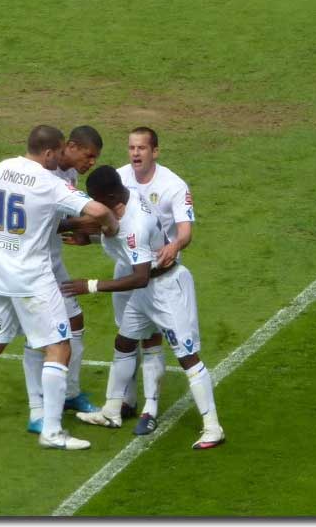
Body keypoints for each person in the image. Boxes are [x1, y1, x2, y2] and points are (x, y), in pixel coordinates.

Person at [0, 125, 119, 450]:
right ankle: (51, 431)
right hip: (33, 278)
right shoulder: (49, 183)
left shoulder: (1, 168)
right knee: (59, 347)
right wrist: (112, 226)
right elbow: (99, 210)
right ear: (49, 153)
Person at [60, 165, 224, 450]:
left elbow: (139, 276)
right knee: (124, 342)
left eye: (97, 200)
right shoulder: (128, 196)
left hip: (167, 289)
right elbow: (110, 229)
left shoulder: (136, 224)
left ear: (112, 197)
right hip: (146, 290)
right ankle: (112, 410)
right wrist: (85, 234)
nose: (94, 206)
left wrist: (91, 285)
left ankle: (213, 427)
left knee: (187, 356)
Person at [22, 125, 104, 435]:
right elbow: (46, 225)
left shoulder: (68, 176)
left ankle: (69, 393)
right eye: (88, 155)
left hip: (52, 263)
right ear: (69, 147)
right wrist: (94, 221)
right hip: (34, 266)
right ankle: (38, 409)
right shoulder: (46, 175)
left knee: (75, 321)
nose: (90, 162)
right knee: (37, 336)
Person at [115, 127, 196, 435]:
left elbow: (185, 230)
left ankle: (150, 408)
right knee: (125, 337)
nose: (135, 153)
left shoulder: (173, 185)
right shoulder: (119, 179)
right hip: (126, 270)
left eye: (142, 148)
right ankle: (125, 400)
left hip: (157, 277)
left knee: (150, 339)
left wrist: (174, 246)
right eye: (131, 147)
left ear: (155, 152)